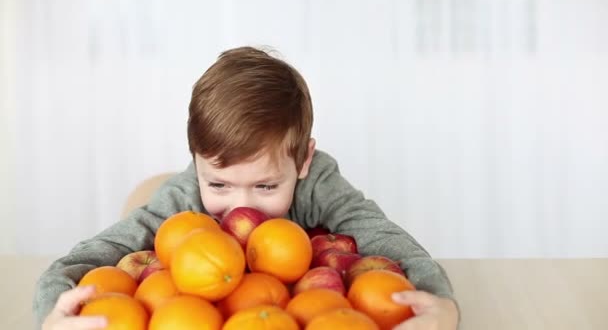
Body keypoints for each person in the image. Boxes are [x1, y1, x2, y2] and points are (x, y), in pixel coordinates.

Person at [35, 46, 459, 329]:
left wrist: (443, 305)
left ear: (303, 161)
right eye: (218, 183)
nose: (241, 206)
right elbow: (84, 259)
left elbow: (384, 238)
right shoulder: (185, 197)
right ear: (196, 161)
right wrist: (51, 315)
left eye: (265, 185)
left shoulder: (318, 182)